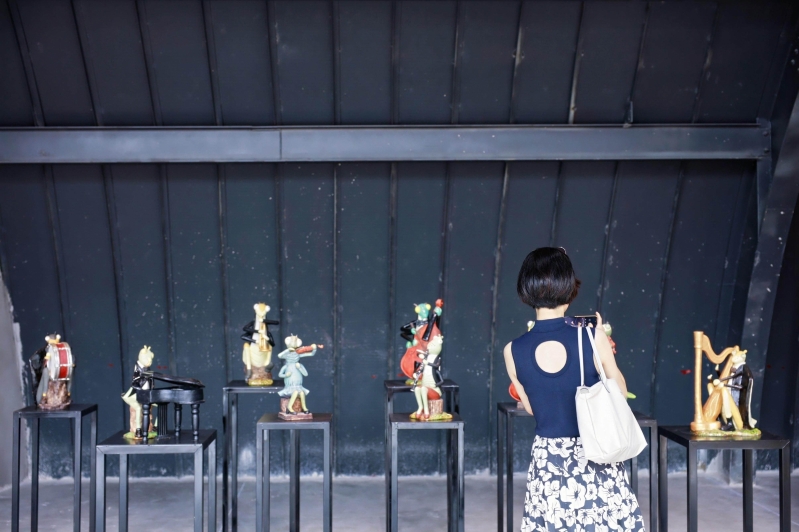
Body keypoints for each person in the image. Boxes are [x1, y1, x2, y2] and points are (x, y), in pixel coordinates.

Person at [504, 247, 645, 531]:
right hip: (596, 453)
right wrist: (601, 340)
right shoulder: (591, 335)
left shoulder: (512, 350)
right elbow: (618, 389)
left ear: (526, 289)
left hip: (548, 463)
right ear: (568, 288)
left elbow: (531, 406)